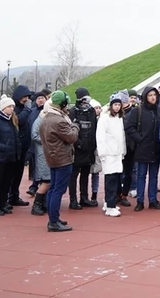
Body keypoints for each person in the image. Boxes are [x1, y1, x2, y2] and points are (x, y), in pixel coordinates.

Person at [40, 90, 79, 232]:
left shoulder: (46, 118)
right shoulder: (59, 121)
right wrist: (75, 126)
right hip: (62, 159)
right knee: (58, 190)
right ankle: (53, 221)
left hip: (52, 157)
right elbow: (72, 137)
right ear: (62, 104)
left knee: (53, 188)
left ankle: (53, 218)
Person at [124, 86, 160, 211]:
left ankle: (153, 200)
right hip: (142, 148)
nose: (153, 97)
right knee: (141, 175)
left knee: (154, 176)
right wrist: (139, 139)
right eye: (150, 95)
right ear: (145, 97)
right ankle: (140, 201)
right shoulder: (138, 110)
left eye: (155, 95)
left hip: (156, 148)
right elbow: (129, 127)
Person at [96, 93, 127, 217]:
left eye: (119, 105)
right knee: (111, 180)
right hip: (108, 153)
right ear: (111, 105)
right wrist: (102, 152)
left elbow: (122, 136)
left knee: (115, 178)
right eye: (115, 104)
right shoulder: (105, 118)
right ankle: (110, 206)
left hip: (117, 153)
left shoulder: (119, 118)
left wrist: (123, 151)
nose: (117, 107)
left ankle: (108, 202)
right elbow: (100, 136)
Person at [67, 88, 98, 210]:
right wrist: (78, 143)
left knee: (86, 174)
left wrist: (93, 145)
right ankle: (73, 200)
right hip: (77, 148)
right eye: (84, 99)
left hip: (89, 148)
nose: (86, 101)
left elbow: (94, 127)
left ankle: (84, 198)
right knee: (74, 174)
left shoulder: (91, 111)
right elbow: (71, 129)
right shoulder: (73, 111)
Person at [7, 84, 33, 208]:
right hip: (15, 147)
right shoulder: (15, 109)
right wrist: (28, 109)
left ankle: (14, 196)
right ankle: (8, 197)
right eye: (24, 97)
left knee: (18, 173)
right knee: (11, 174)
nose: (26, 99)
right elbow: (19, 120)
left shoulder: (23, 108)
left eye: (28, 97)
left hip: (23, 146)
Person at [29, 101, 51, 216]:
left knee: (49, 180)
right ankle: (36, 204)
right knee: (46, 180)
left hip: (49, 153)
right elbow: (34, 135)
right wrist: (47, 141)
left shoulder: (47, 120)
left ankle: (43, 202)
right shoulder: (40, 120)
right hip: (42, 153)